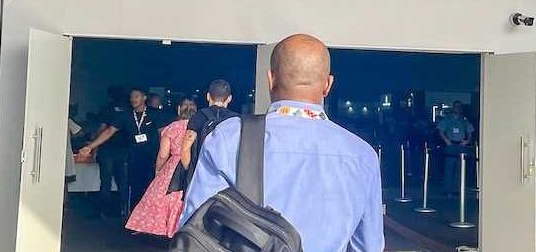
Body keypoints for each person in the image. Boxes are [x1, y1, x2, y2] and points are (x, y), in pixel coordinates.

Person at [182, 34, 384, 251]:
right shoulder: (362, 155)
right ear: (327, 85)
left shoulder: (229, 137)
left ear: (271, 79)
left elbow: (194, 229)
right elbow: (367, 246)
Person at [77, 88, 163, 215]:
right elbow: (109, 131)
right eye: (132, 97)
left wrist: (165, 155)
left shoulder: (154, 114)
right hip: (133, 157)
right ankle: (133, 217)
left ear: (144, 97)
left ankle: (151, 218)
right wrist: (91, 147)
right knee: (132, 187)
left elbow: (163, 134)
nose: (133, 99)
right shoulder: (125, 115)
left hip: (152, 157)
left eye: (136, 96)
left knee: (151, 187)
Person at [126, 98, 196, 237]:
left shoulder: (171, 128)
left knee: (161, 197)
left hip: (174, 165)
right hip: (193, 164)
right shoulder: (199, 128)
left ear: (178, 110)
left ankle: (162, 228)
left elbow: (163, 154)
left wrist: (158, 170)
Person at [175, 79, 239, 194]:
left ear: (208, 96)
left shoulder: (198, 117)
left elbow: (185, 148)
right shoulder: (236, 120)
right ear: (229, 98)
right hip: (227, 180)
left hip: (202, 178)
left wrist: (191, 173)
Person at [438, 102, 475, 195]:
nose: (458, 108)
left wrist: (467, 141)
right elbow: (440, 130)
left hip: (461, 146)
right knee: (449, 167)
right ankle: (447, 189)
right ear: (453, 107)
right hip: (451, 144)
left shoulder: (464, 120)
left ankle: (457, 189)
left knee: (460, 168)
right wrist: (446, 140)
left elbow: (470, 132)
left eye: (459, 107)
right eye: (456, 106)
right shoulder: (447, 119)